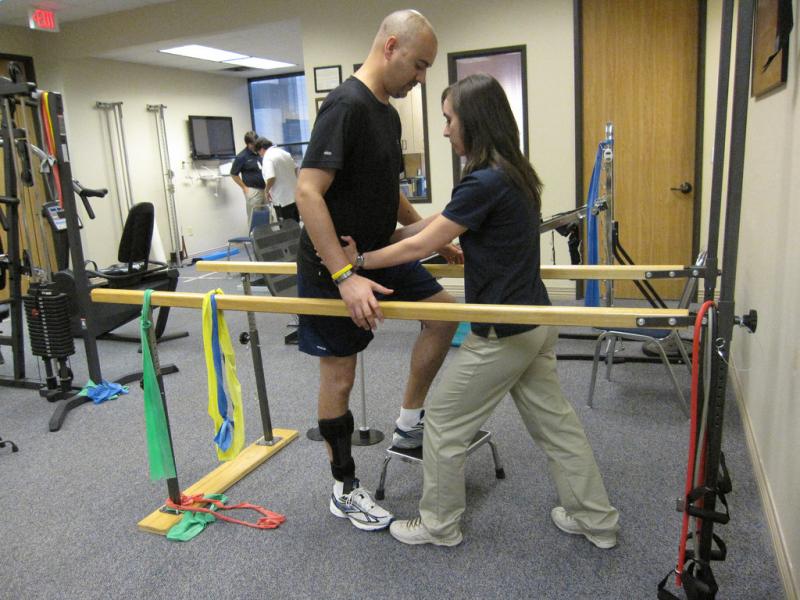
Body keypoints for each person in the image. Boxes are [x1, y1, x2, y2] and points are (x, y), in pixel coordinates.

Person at [340, 74, 620, 548]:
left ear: (473, 121)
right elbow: (439, 223)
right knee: (558, 428)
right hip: (534, 325)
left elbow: (429, 240)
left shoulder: (485, 180)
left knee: (444, 425)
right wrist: (388, 239)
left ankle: (438, 525)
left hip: (503, 333)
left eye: (449, 119)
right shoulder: (512, 171)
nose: (446, 130)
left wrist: (358, 262)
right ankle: (598, 521)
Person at [295, 9, 462, 532]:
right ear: (390, 46)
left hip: (378, 250)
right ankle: (343, 487)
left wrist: (426, 237)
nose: (422, 78)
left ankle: (408, 423)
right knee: (340, 377)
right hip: (333, 264)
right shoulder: (345, 104)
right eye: (419, 65)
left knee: (443, 315)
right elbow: (307, 191)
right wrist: (345, 276)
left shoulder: (387, 114)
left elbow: (387, 190)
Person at [254, 137, 300, 223]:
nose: (260, 155)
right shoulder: (285, 153)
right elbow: (296, 169)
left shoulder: (268, 157)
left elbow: (271, 177)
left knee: (285, 229)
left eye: (259, 153)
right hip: (294, 197)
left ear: (261, 149)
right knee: (295, 225)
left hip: (282, 200)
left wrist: (266, 191)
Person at [230, 130, 267, 222]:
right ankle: (254, 236)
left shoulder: (260, 153)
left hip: (265, 189)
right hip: (253, 191)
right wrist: (244, 188)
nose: (256, 146)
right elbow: (234, 174)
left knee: (267, 217)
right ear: (248, 144)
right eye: (254, 144)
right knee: (255, 219)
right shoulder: (241, 157)